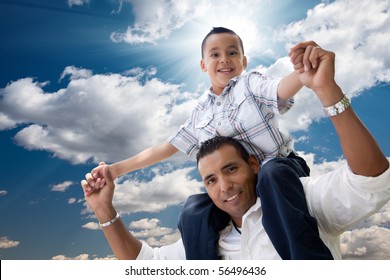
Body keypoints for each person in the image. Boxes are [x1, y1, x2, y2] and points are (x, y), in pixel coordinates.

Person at [81, 43, 390, 259]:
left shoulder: (250, 86)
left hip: (282, 173)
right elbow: (164, 148)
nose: (224, 59)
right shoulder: (200, 113)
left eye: (232, 53)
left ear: (244, 61)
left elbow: (281, 88)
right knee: (193, 209)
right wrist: (114, 174)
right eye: (214, 54)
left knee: (273, 174)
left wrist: (310, 76)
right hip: (256, 181)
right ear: (203, 65)